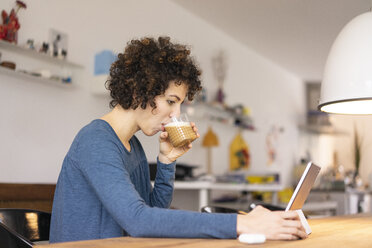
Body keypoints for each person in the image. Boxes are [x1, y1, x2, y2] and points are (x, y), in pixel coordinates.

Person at [49, 37, 307, 243]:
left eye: (179, 104)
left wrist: (166, 161)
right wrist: (243, 223)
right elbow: (138, 221)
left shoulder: (133, 146)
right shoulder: (96, 140)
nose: (176, 115)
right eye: (171, 101)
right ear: (140, 90)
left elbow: (154, 211)